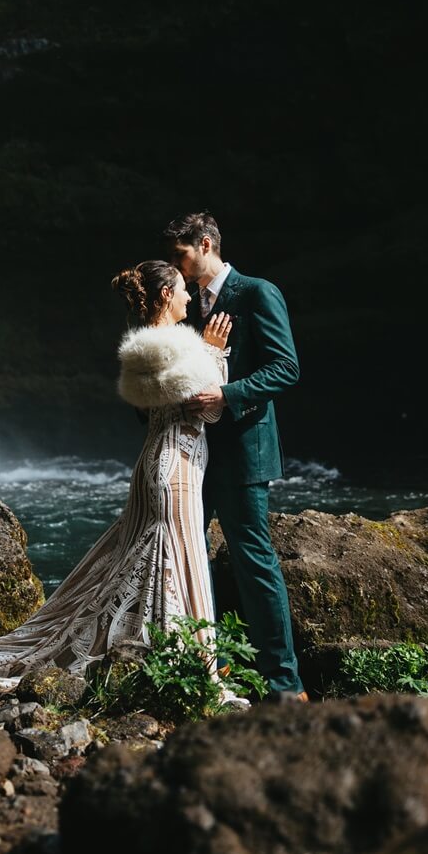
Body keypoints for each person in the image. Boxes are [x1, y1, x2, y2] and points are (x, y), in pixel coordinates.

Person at [0, 260, 237, 693]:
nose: (191, 295)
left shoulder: (151, 345)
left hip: (160, 463)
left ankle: (176, 657)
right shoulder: (175, 346)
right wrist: (214, 351)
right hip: (177, 467)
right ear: (166, 295)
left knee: (155, 557)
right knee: (176, 559)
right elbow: (209, 407)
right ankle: (188, 667)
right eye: (183, 289)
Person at [165, 212, 307, 704]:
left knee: (254, 562)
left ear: (206, 245)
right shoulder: (185, 306)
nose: (175, 266)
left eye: (181, 255)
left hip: (244, 451)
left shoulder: (256, 293)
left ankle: (285, 683)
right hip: (191, 454)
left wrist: (227, 395)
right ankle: (209, 664)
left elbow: (286, 368)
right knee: (183, 556)